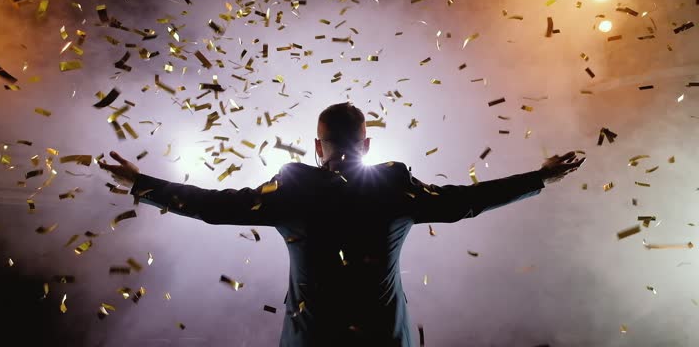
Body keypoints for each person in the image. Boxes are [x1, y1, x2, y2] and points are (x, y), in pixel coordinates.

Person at [100, 102, 585, 347]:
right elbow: (470, 201)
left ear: (317, 147)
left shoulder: (292, 188)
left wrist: (140, 183)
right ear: (368, 144)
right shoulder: (395, 187)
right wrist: (540, 178)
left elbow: (214, 205)